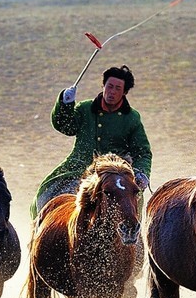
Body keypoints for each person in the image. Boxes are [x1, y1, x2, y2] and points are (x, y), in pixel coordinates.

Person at [32, 65, 153, 221]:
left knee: (131, 206)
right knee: (45, 194)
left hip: (115, 174)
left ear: (124, 92)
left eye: (117, 88)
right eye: (109, 86)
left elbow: (142, 152)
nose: (112, 92)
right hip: (76, 168)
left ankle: (133, 233)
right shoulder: (85, 108)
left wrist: (141, 173)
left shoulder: (132, 118)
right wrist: (65, 104)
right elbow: (65, 126)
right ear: (103, 86)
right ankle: (39, 227)